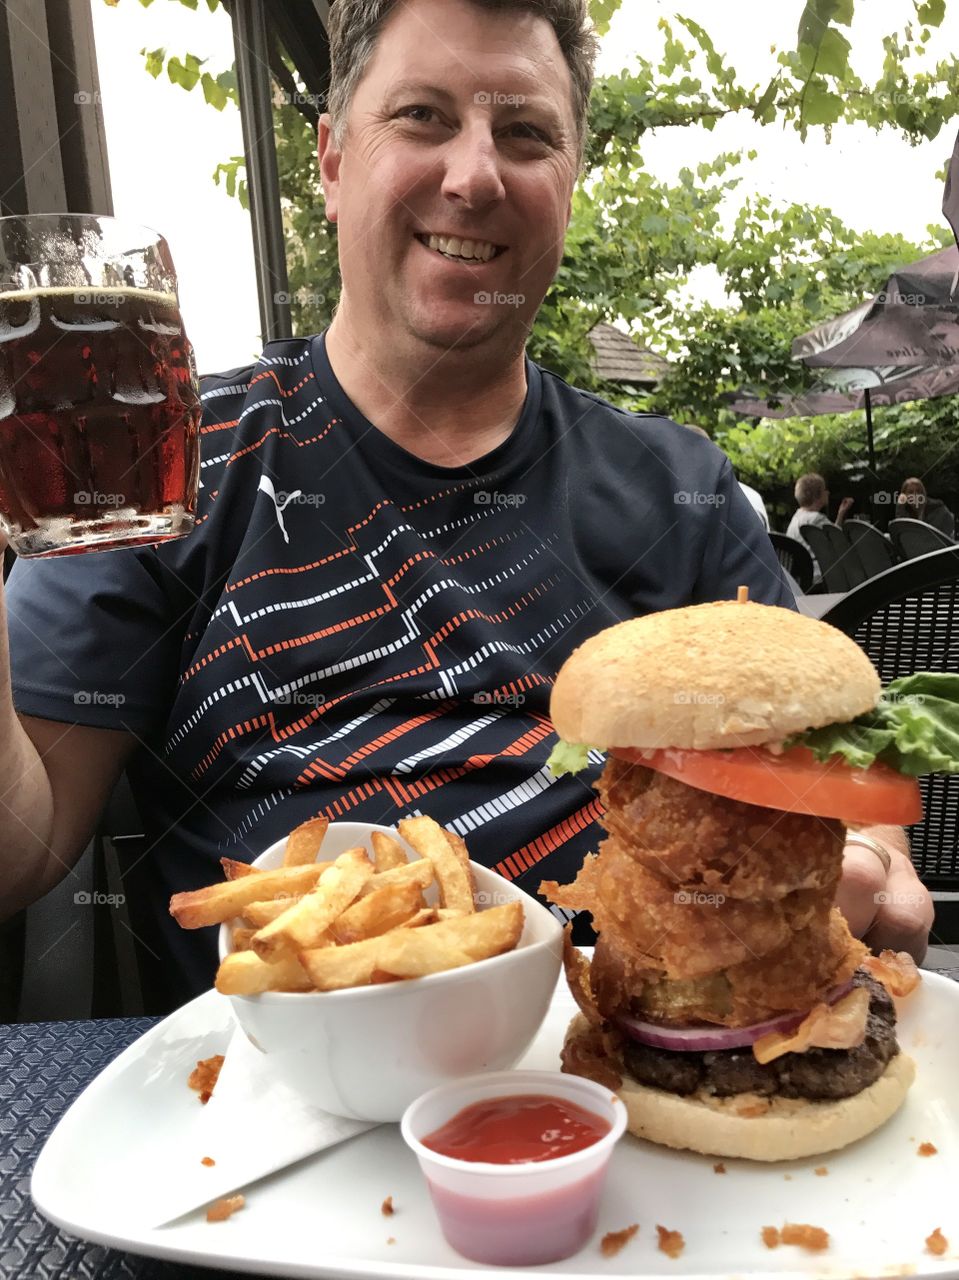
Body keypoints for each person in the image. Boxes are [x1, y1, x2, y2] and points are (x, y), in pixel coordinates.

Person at [0, 0, 931, 1010]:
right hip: (293, 1100)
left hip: (649, 1058)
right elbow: (24, 849)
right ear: (329, 162)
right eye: (422, 116)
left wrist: (874, 856)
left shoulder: (681, 484)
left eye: (525, 133)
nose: (474, 174)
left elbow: (827, 763)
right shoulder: (165, 467)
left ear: (569, 185)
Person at [786, 472, 854, 581]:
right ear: (817, 495)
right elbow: (838, 542)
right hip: (819, 575)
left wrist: (841, 513)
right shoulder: (816, 518)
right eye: (824, 490)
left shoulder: (796, 518)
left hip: (800, 577)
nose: (828, 492)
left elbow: (833, 534)